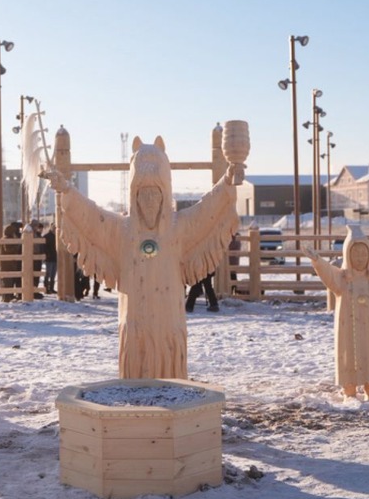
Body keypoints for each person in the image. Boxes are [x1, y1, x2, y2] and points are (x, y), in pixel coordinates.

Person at [46, 135, 240, 380]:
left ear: (165, 193)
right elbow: (91, 217)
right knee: (136, 362)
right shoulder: (120, 231)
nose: (149, 201)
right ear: (134, 195)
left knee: (170, 365)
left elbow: (209, 209)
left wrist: (229, 180)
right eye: (143, 195)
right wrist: (66, 190)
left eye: (155, 194)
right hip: (134, 318)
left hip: (169, 316)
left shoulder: (179, 227)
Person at [305, 226, 369, 399]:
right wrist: (317, 261)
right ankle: (350, 391)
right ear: (347, 255)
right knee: (349, 354)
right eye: (355, 254)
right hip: (348, 327)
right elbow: (328, 272)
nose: (360, 258)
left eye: (363, 254)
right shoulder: (342, 279)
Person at [42, 225, 58, 294]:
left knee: (53, 275)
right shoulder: (47, 236)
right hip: (49, 258)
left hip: (55, 258)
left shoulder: (57, 236)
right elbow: (44, 247)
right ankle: (46, 288)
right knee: (48, 274)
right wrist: (47, 254)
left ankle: (51, 288)